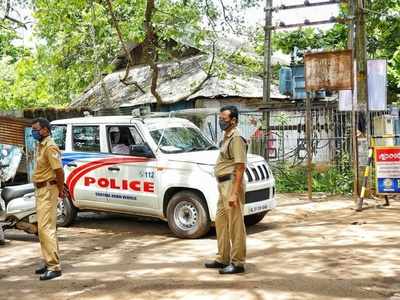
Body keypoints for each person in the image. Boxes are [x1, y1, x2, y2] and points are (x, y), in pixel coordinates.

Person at [205, 105, 247, 274]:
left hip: (231, 185)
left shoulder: (236, 138)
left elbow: (240, 167)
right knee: (221, 222)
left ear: (233, 120)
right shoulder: (227, 137)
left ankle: (238, 263)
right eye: (220, 118)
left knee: (236, 225)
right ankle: (223, 258)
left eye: (224, 119)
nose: (221, 121)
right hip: (223, 185)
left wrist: (234, 193)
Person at [31, 118, 64, 281]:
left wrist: (60, 189)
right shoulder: (41, 145)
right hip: (41, 190)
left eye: (35, 129)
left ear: (44, 130)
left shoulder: (50, 146)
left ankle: (54, 266)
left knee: (46, 228)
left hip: (48, 190)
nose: (33, 132)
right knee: (44, 228)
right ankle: (48, 260)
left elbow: (59, 171)